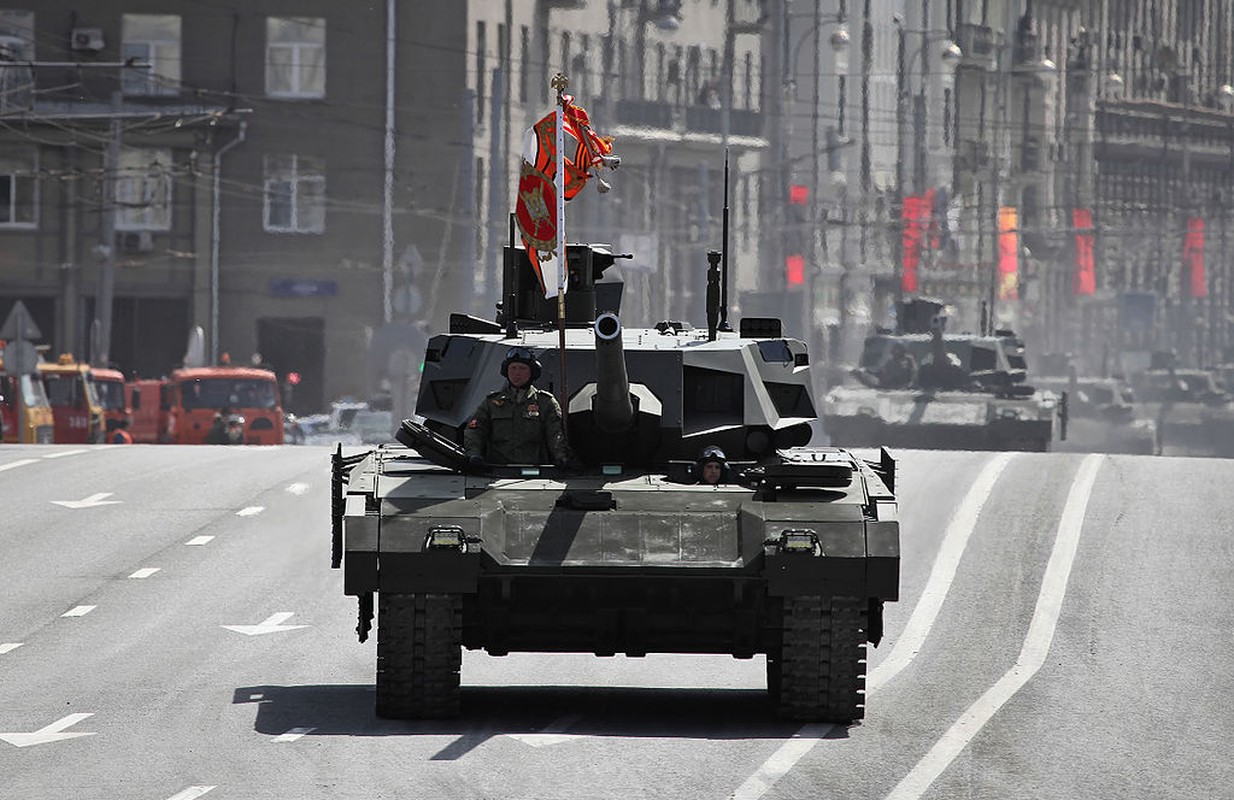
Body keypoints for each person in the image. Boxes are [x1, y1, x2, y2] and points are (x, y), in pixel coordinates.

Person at [463, 347, 573, 468]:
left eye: (522, 368)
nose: (517, 373)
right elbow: (475, 430)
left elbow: (555, 434)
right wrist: (473, 455)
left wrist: (561, 457)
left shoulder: (545, 402)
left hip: (536, 471)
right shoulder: (492, 402)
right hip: (497, 469)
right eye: (513, 368)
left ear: (532, 372)